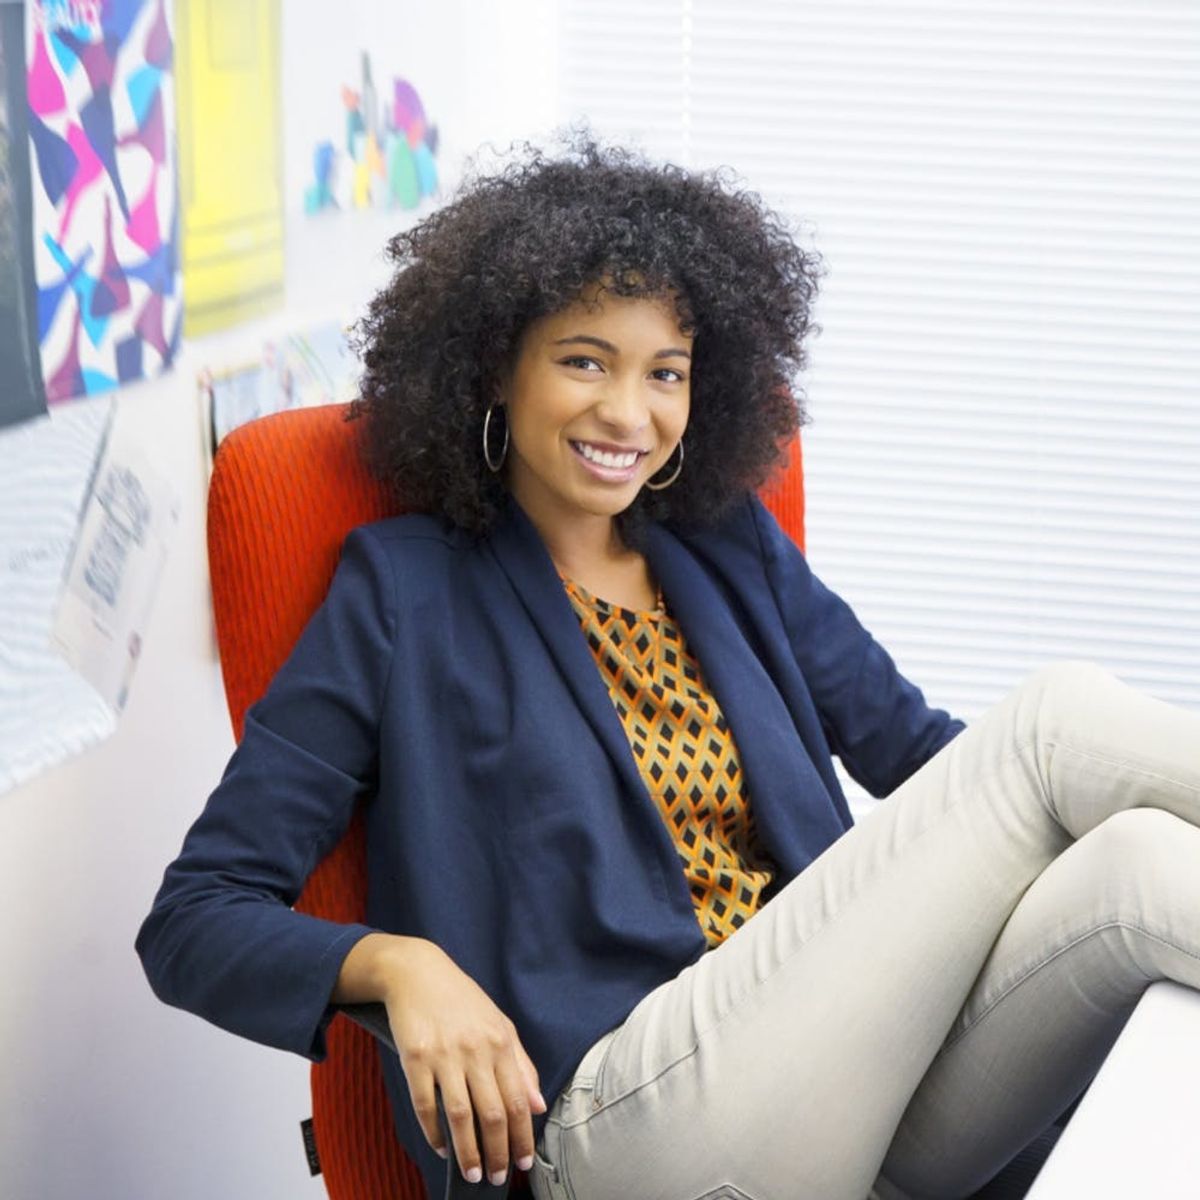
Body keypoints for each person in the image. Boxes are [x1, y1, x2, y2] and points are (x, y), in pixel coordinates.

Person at [137, 138, 1200, 1200]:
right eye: (585, 360)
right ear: (498, 366)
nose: (628, 415)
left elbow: (932, 764)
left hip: (844, 1094)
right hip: (621, 1129)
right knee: (1055, 725)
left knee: (1140, 867)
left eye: (667, 374)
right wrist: (398, 966)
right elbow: (195, 918)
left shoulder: (728, 547)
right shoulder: (404, 593)